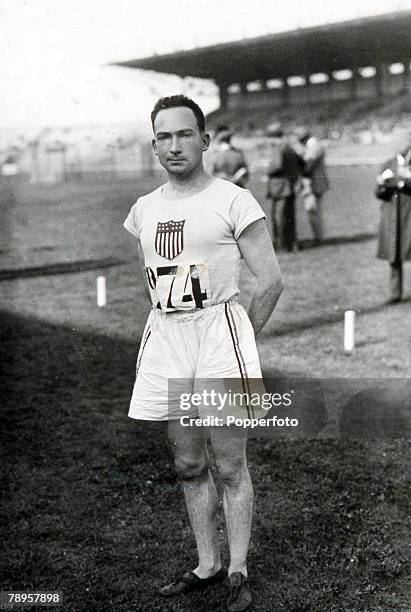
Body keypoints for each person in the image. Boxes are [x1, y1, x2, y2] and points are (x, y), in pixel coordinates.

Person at [123, 95, 283, 611]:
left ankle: (237, 570)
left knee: (230, 464)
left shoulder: (233, 200)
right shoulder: (143, 209)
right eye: (164, 137)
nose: (174, 145)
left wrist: (241, 343)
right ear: (154, 145)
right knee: (189, 463)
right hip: (170, 338)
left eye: (184, 134)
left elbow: (271, 281)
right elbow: (153, 281)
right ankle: (207, 563)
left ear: (204, 140)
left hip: (220, 335)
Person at [375, 127, 411, 303]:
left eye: (400, 142)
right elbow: (378, 193)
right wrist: (381, 185)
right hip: (393, 215)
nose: (396, 146)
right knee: (394, 254)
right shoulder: (388, 164)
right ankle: (395, 293)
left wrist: (410, 179)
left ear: (408, 143)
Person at [266, 123, 304, 251]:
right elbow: (302, 163)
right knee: (289, 217)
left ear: (273, 137)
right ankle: (292, 243)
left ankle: (282, 244)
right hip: (290, 187)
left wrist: (268, 170)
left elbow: (277, 165)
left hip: (280, 188)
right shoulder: (290, 147)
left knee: (279, 217)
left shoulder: (278, 148)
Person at [296, 128, 329, 243]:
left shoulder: (314, 147)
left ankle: (318, 237)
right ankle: (318, 236)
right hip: (317, 183)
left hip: (314, 184)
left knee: (313, 211)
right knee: (315, 211)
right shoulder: (315, 146)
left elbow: (308, 167)